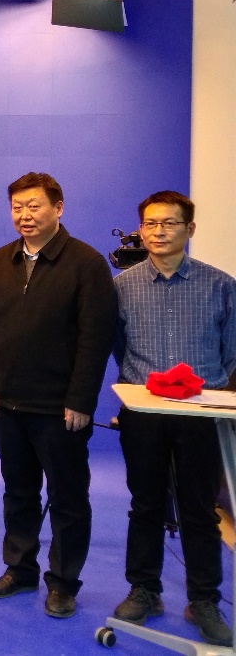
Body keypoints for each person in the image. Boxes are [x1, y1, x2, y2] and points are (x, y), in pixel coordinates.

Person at [0, 172, 116, 618]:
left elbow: (95, 339)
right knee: (18, 493)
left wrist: (82, 400)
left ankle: (64, 582)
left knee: (68, 500)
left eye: (34, 206)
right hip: (7, 404)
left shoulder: (87, 263)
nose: (24, 215)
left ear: (58, 208)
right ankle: (19, 569)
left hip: (60, 409)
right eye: (17, 207)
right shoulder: (0, 260)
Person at [111, 191, 236, 647]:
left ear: (190, 229)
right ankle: (144, 590)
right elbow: (118, 346)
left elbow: (230, 353)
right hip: (142, 411)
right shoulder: (122, 287)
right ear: (140, 230)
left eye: (169, 223)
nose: (158, 232)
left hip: (199, 414)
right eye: (150, 224)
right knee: (145, 504)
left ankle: (203, 599)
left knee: (200, 509)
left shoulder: (221, 286)